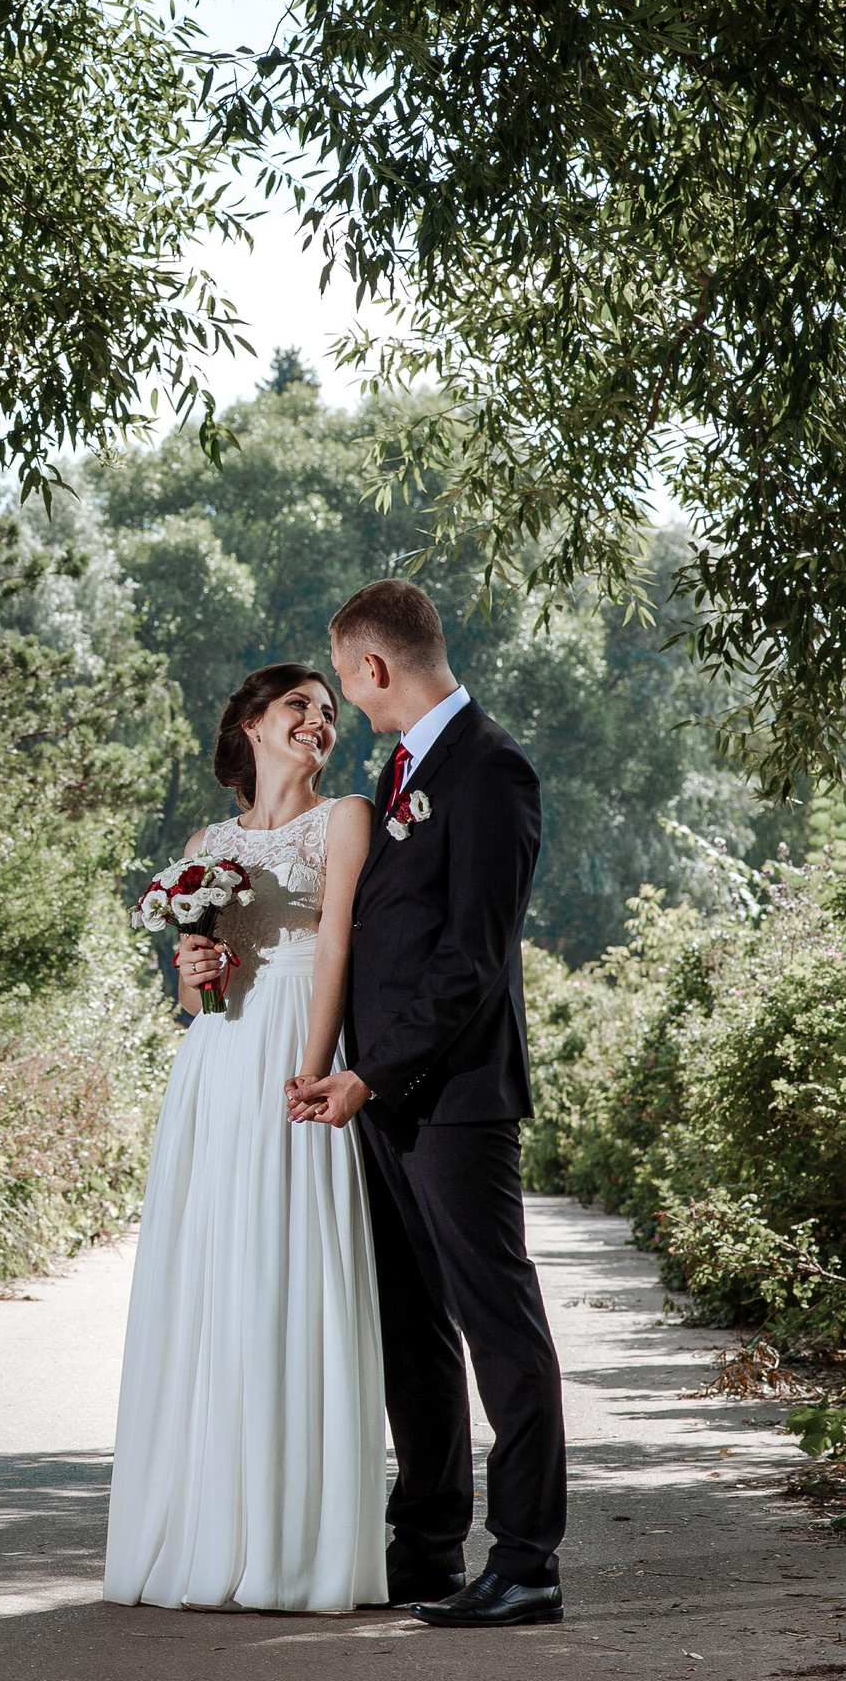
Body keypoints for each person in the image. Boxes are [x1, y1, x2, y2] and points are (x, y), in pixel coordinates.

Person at [288, 579, 569, 1629]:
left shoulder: (492, 770)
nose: (351, 710)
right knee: (410, 1325)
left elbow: (472, 959)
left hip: (451, 1096)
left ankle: (529, 1559)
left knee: (499, 1323)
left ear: (373, 668)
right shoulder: (399, 769)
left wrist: (371, 1069)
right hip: (386, 1097)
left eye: (349, 685)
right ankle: (430, 1543)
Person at [103, 663, 386, 1612]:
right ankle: (205, 1528)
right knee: (213, 1279)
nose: (319, 719)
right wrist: (194, 964)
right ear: (253, 726)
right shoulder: (206, 844)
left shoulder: (345, 816)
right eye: (299, 705)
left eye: (329, 709)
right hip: (217, 1063)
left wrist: (310, 1071)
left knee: (289, 1273)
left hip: (296, 1044)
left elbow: (338, 941)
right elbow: (194, 997)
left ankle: (293, 1544)